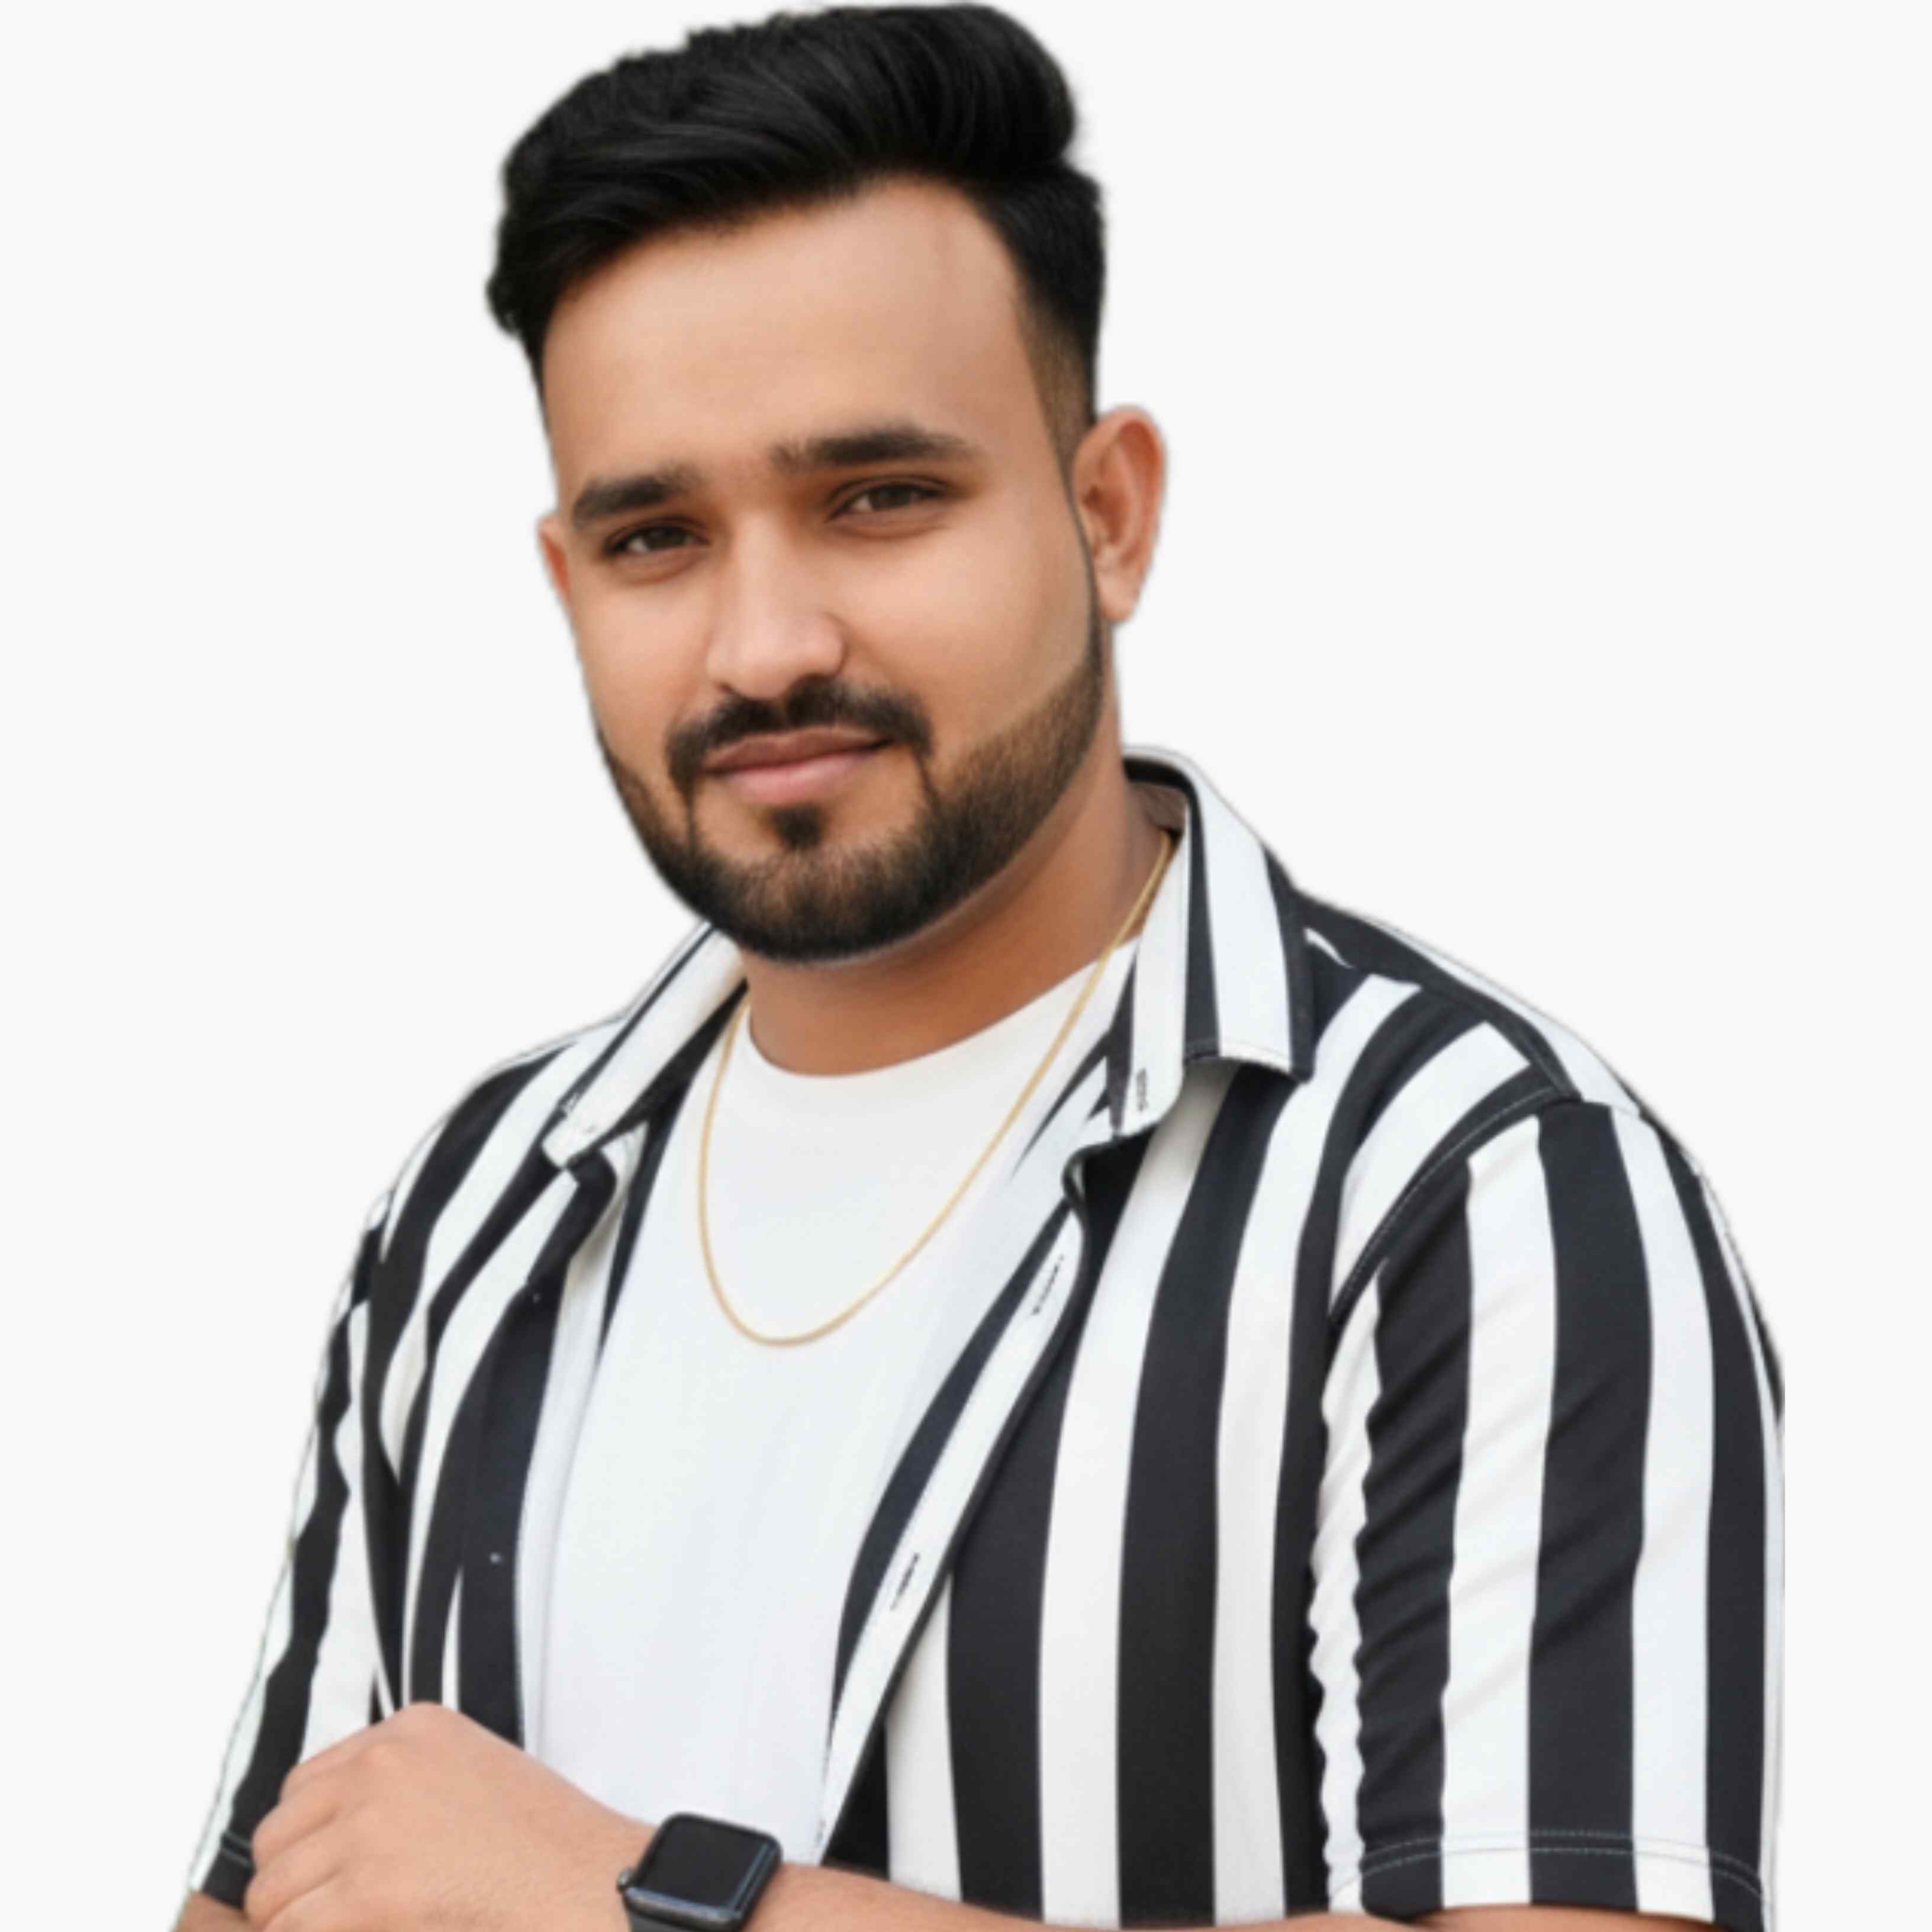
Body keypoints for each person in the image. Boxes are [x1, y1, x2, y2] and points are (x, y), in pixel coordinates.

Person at [176, 7, 1783, 1930]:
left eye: (878, 498)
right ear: (566, 581)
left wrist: (643, 1902)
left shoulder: (1473, 1189)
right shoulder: (476, 1213)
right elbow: (284, 1888)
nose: (765, 644)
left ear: (1109, 516)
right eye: (656, 536)